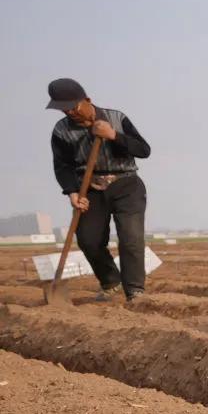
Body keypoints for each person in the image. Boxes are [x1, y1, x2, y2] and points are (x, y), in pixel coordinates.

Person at [46, 78, 151, 302]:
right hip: (90, 189)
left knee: (130, 238)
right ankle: (111, 282)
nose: (70, 112)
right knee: (88, 240)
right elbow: (62, 166)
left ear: (87, 100)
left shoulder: (116, 118)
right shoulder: (61, 131)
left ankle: (135, 291)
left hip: (126, 184)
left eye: (73, 106)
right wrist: (72, 193)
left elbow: (143, 150)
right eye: (63, 109)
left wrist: (114, 135)